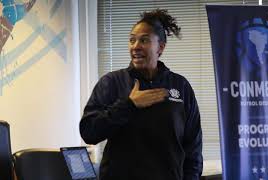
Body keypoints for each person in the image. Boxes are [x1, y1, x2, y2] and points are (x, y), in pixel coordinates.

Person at [80, 9, 203, 180]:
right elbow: (89, 132)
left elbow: (193, 148)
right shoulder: (112, 82)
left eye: (144, 40)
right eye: (132, 40)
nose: (135, 46)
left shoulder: (180, 86)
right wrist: (129, 104)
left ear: (160, 47)